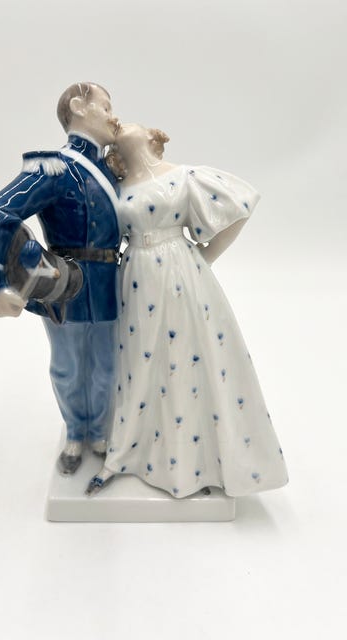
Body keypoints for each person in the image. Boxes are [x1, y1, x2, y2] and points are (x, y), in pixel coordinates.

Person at [86, 123, 288, 498]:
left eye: (131, 122)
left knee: (182, 357)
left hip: (176, 271)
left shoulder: (183, 176)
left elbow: (240, 204)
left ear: (152, 137)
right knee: (138, 362)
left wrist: (204, 257)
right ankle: (131, 448)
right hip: (134, 276)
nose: (121, 123)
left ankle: (192, 460)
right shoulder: (117, 187)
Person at [0, 82, 121, 475]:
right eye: (105, 106)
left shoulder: (116, 170)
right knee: (68, 367)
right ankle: (75, 432)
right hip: (62, 283)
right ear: (79, 106)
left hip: (109, 283)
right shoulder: (53, 168)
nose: (112, 115)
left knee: (107, 365)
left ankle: (100, 432)